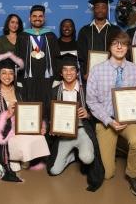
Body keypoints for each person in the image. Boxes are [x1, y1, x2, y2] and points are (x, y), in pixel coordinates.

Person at [86, 30, 136, 197]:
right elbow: (91, 101)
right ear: (109, 47)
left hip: (129, 120)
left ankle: (133, 175)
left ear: (128, 47)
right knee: (106, 174)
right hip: (107, 120)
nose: (119, 47)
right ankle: (110, 153)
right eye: (115, 43)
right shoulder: (97, 70)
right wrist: (109, 120)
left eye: (123, 43)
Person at [0, 52, 50, 182]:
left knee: (40, 137)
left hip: (22, 127)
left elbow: (31, 112)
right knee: (18, 143)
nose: (7, 76)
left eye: (10, 73)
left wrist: (39, 125)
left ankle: (21, 157)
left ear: (14, 75)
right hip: (6, 131)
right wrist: (6, 115)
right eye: (4, 73)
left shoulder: (20, 92)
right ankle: (13, 157)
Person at [47, 53, 104, 192]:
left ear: (77, 72)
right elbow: (49, 115)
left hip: (82, 131)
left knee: (88, 158)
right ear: (61, 73)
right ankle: (72, 156)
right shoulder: (54, 91)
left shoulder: (87, 90)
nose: (69, 72)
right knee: (54, 170)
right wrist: (52, 126)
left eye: (72, 69)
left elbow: (100, 110)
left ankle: (80, 154)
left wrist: (88, 114)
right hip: (64, 135)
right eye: (65, 69)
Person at [15, 4, 60, 111]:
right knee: (29, 106)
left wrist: (57, 78)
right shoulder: (22, 36)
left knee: (47, 107)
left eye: (40, 16)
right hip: (28, 80)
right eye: (34, 16)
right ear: (29, 18)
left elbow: (57, 58)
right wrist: (19, 79)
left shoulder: (51, 36)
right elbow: (17, 57)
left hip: (47, 80)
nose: (37, 18)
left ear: (44, 18)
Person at [77, 0, 121, 81]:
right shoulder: (84, 30)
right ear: (93, 9)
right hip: (89, 76)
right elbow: (80, 55)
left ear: (107, 9)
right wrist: (84, 73)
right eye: (97, 7)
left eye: (103, 7)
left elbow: (120, 52)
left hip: (110, 75)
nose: (100, 10)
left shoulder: (115, 30)